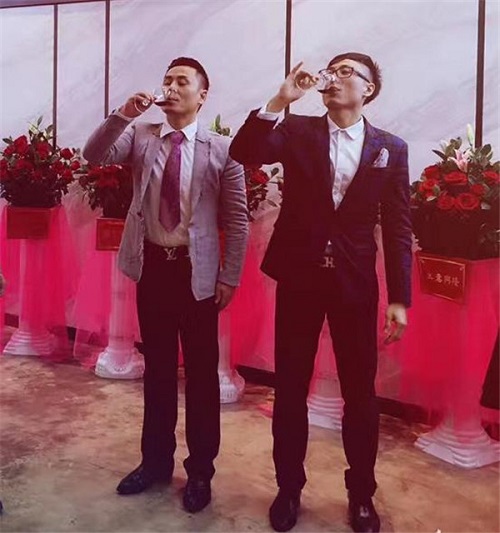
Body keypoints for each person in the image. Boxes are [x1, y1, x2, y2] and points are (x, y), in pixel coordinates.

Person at [229, 52, 412, 533]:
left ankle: (362, 494)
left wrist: (400, 298)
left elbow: (397, 226)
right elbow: (244, 152)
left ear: (369, 89)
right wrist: (280, 99)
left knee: (360, 394)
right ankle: (288, 488)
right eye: (334, 69)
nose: (335, 77)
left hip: (355, 283)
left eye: (348, 71)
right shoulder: (297, 130)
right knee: (290, 388)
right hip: (300, 278)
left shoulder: (390, 148)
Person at [83, 57, 249, 513]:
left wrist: (230, 276)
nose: (171, 88)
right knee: (157, 372)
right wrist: (123, 113)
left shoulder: (224, 149)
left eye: (182, 82)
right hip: (153, 267)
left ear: (202, 95)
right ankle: (155, 463)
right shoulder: (141, 136)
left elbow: (237, 220)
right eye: (167, 80)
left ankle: (200, 472)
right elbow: (94, 155)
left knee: (201, 377)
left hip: (197, 275)